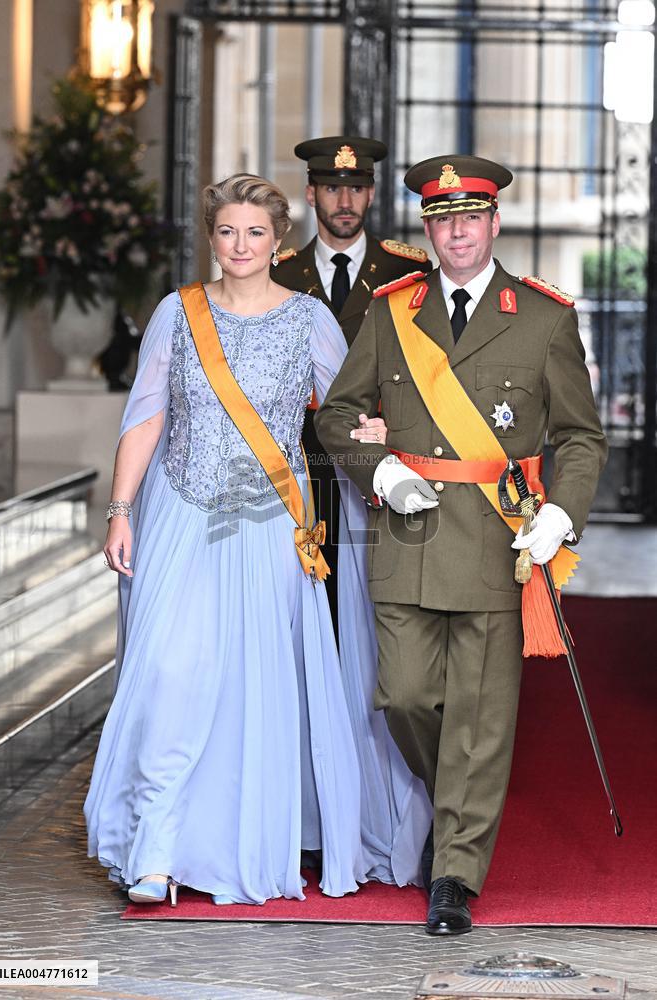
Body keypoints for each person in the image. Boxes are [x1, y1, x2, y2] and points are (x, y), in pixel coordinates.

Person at [315, 155, 608, 934]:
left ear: (493, 224)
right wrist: (378, 471)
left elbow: (581, 436)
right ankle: (459, 809)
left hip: (496, 542)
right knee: (403, 695)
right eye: (443, 220)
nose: (457, 232)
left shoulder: (543, 316)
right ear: (428, 229)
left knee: (481, 715)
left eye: (470, 218)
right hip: (408, 535)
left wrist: (561, 515)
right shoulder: (390, 311)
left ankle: (454, 871)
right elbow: (337, 415)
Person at [85, 174, 379, 906]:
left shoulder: (310, 319)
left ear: (279, 240)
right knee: (171, 673)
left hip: (271, 526)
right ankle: (153, 846)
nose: (240, 245)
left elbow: (343, 412)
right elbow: (146, 417)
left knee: (251, 686)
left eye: (255, 232)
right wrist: (121, 508)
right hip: (180, 515)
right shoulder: (177, 313)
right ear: (210, 237)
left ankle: (226, 844)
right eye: (227, 232)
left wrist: (381, 432)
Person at [273, 136, 433, 613]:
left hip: (383, 443)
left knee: (383, 583)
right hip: (303, 450)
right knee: (310, 578)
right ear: (309, 194)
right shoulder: (280, 274)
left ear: (371, 193)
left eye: (356, 189)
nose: (344, 202)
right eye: (330, 188)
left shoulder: (410, 270)